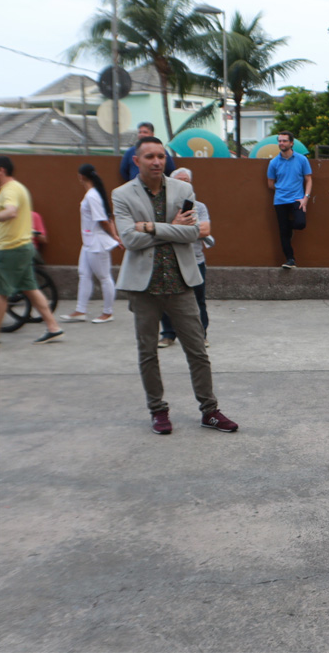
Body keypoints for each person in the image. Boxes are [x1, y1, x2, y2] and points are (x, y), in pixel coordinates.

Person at [113, 137, 238, 435]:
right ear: (136, 160)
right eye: (149, 157)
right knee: (147, 353)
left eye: (160, 156)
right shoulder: (121, 195)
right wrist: (172, 227)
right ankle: (158, 410)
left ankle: (210, 410)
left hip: (181, 283)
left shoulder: (184, 189)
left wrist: (151, 227)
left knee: (197, 351)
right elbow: (129, 240)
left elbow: (194, 231)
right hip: (144, 288)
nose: (156, 161)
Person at [0, 155, 64, 345]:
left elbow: (11, 212)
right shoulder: (18, 188)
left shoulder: (9, 190)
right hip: (22, 247)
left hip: (11, 248)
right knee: (31, 289)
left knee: (1, 292)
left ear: (1, 170)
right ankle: (53, 328)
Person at [158, 167, 213, 348]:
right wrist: (185, 229)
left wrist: (175, 229)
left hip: (195, 261)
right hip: (170, 260)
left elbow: (205, 230)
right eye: (180, 180)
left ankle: (200, 335)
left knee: (198, 301)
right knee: (167, 299)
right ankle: (168, 334)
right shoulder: (164, 207)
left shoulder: (200, 207)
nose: (183, 183)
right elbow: (161, 232)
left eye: (187, 180)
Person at [60, 164, 121, 324]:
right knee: (84, 274)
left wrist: (114, 236)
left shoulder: (92, 196)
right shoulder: (93, 194)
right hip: (88, 243)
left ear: (81, 176)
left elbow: (103, 221)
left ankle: (108, 312)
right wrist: (115, 235)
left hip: (97, 243)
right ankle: (81, 310)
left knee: (104, 276)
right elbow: (108, 217)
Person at [266, 131, 312, 269]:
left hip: (297, 199)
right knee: (283, 233)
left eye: (284, 141)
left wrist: (306, 198)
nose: (281, 143)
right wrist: (282, 189)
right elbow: (270, 183)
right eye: (280, 141)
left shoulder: (302, 160)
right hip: (280, 200)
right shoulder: (273, 162)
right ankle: (290, 259)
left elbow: (308, 180)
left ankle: (288, 227)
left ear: (291, 143)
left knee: (300, 223)